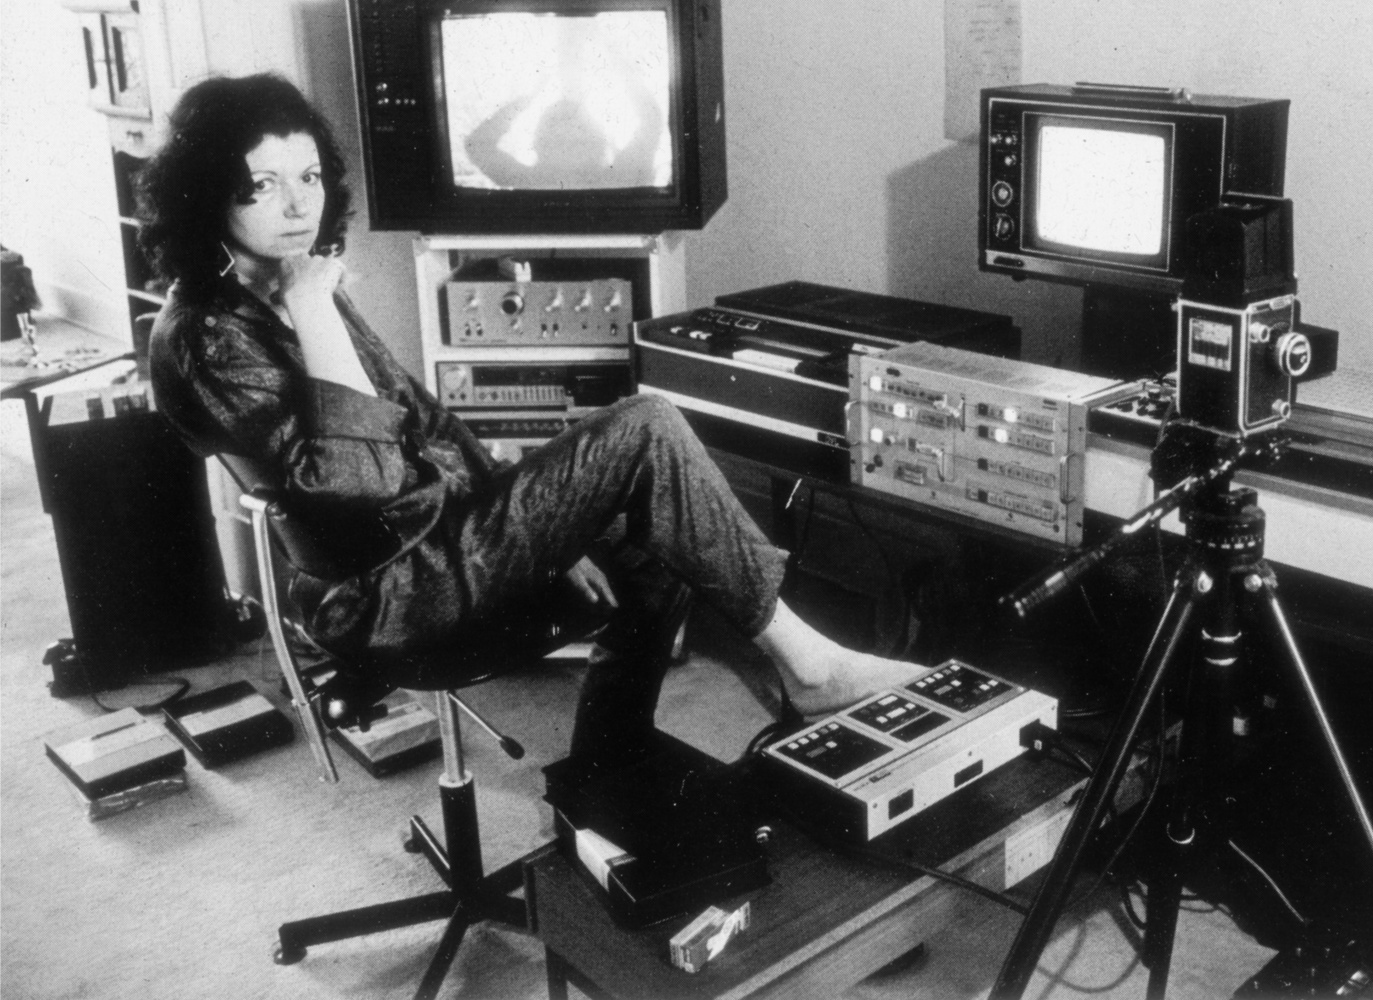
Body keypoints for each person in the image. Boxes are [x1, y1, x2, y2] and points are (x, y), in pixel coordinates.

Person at [140, 73, 925, 765]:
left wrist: (545, 536)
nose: (297, 203)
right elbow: (368, 484)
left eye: (309, 177)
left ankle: (611, 761)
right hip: (391, 588)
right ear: (207, 193)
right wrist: (313, 306)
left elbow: (426, 424)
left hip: (437, 540)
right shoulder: (209, 335)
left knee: (651, 529)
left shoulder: (287, 277)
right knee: (647, 421)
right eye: (263, 185)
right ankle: (813, 669)